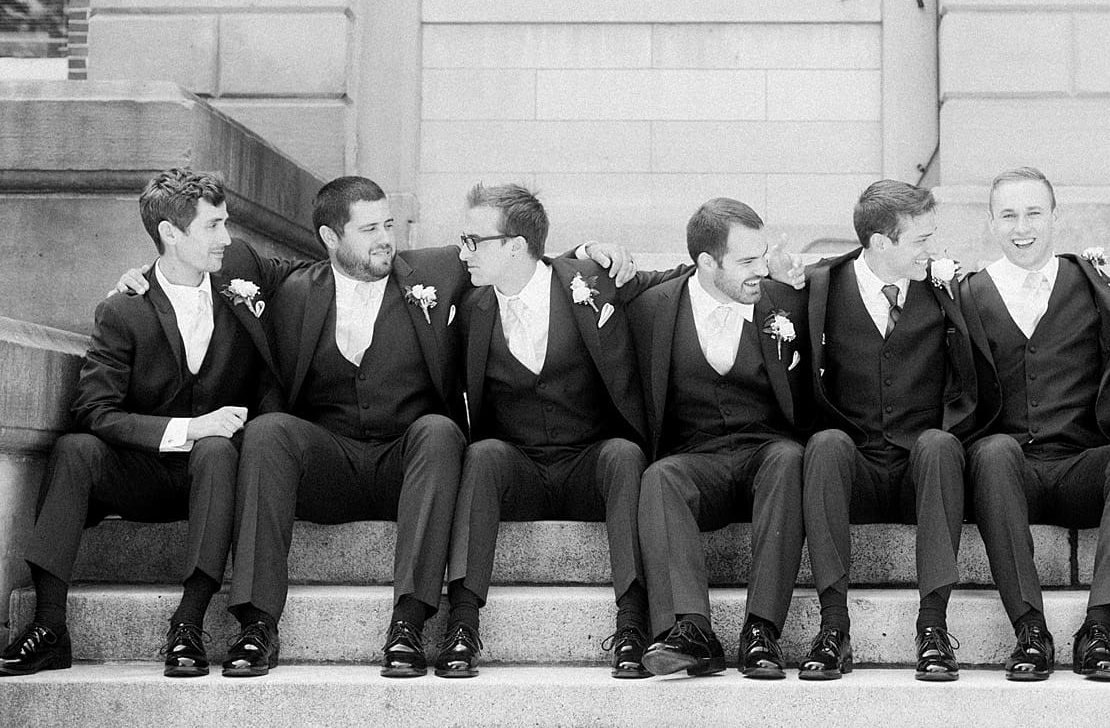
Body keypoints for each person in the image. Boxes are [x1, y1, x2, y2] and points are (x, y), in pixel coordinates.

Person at [1, 170, 282, 678]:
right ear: (172, 235)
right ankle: (48, 627)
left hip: (215, 478)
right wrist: (189, 428)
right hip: (138, 473)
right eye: (213, 226)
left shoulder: (243, 298)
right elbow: (94, 410)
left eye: (226, 224)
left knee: (218, 450)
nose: (227, 238)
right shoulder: (122, 309)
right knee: (74, 449)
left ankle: (188, 624)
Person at [220, 176, 470, 679]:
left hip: (408, 464)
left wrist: (592, 253)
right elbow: (224, 257)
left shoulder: (436, 271)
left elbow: (518, 255)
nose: (385, 238)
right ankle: (257, 625)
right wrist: (146, 276)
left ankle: (409, 624)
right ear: (331, 239)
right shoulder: (292, 288)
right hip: (330, 464)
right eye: (369, 228)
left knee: (440, 431)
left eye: (389, 224)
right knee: (268, 432)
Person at [438, 183, 687, 678]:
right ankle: (462, 627)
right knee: (482, 454)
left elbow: (682, 279)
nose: (462, 251)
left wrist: (782, 276)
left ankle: (633, 626)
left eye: (472, 240)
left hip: (589, 463)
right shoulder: (469, 305)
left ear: (516, 246)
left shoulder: (591, 282)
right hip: (519, 466)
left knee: (624, 454)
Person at [960, 166, 1110, 682]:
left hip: (1079, 465)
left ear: (1054, 217)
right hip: (1009, 473)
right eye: (1008, 215)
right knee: (993, 450)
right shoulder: (967, 294)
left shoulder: (1092, 284)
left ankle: (1099, 630)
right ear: (991, 222)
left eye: (1033, 213)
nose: (1021, 227)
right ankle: (1029, 629)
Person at [797, 180, 974, 681]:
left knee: (942, 445)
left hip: (921, 469)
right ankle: (834, 628)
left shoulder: (946, 290)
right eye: (920, 240)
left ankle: (934, 629)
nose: (930, 250)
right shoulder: (820, 288)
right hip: (854, 469)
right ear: (880, 243)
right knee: (825, 445)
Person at [632, 198, 811, 680]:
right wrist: (590, 247)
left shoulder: (785, 300)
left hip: (764, 455)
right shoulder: (655, 308)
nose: (761, 271)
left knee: (789, 458)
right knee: (659, 476)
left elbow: (854, 273)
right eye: (747, 262)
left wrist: (784, 266)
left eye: (764, 256)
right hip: (697, 460)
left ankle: (761, 631)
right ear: (707, 263)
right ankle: (691, 630)